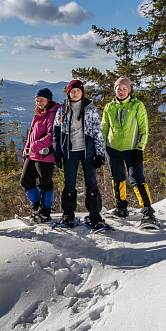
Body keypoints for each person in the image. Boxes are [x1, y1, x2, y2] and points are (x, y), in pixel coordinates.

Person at [101, 76, 159, 226]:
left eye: (124, 88)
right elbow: (104, 129)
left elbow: (144, 128)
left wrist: (140, 148)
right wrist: (101, 148)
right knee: (117, 178)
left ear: (129, 90)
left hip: (133, 150)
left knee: (137, 179)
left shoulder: (137, 105)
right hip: (112, 150)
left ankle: (148, 213)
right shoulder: (109, 107)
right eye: (118, 89)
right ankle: (121, 208)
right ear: (115, 90)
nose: (121, 91)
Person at [53, 79, 108, 229]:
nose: (75, 93)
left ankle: (95, 215)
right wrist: (57, 153)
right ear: (68, 93)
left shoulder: (90, 109)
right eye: (72, 91)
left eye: (78, 91)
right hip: (69, 153)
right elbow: (56, 133)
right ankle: (68, 215)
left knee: (91, 184)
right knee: (69, 184)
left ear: (82, 92)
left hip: (87, 152)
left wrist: (99, 153)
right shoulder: (62, 109)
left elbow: (98, 132)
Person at [20, 88, 60, 223]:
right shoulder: (38, 114)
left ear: (48, 100)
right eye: (37, 101)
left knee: (45, 184)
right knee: (25, 181)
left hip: (45, 156)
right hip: (32, 155)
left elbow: (51, 136)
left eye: (42, 100)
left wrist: (34, 147)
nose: (39, 103)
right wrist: (26, 150)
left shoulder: (52, 114)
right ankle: (37, 207)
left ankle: (45, 212)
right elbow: (31, 134)